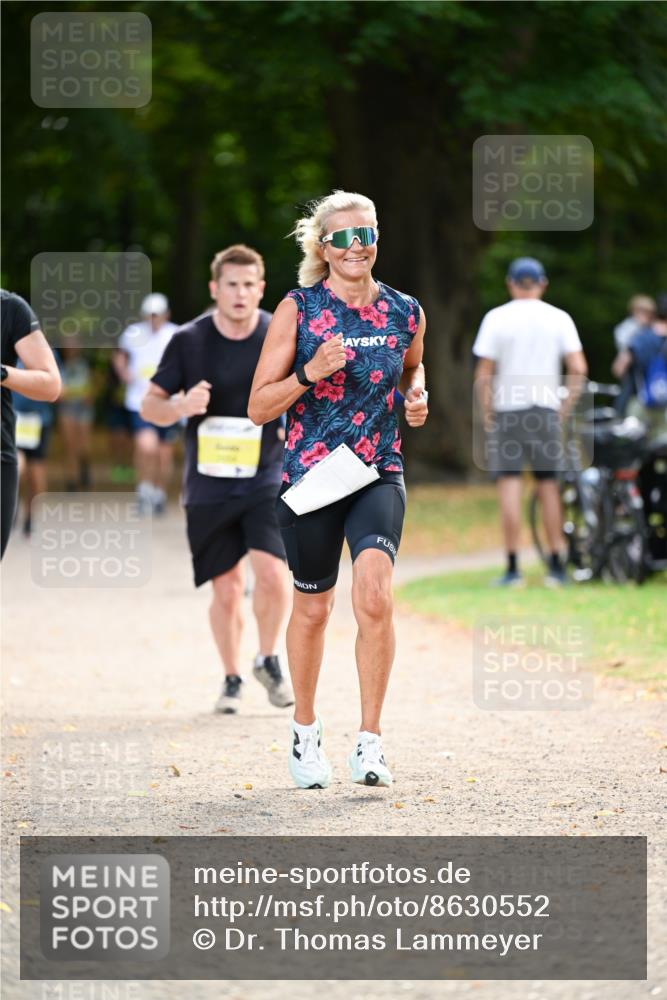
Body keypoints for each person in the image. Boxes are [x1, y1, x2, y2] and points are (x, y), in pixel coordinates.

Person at [248, 190, 428, 790]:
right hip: (312, 477)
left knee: (374, 595)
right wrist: (309, 372)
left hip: (378, 469)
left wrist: (416, 396)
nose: (358, 247)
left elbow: (411, 367)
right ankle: (305, 731)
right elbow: (257, 407)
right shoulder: (299, 309)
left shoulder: (407, 310)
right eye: (344, 237)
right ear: (323, 248)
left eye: (367, 234)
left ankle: (371, 743)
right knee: (315, 608)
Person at [141, 245, 293, 714]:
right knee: (226, 588)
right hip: (207, 481)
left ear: (261, 289)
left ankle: (268, 658)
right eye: (232, 284)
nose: (241, 293)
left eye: (250, 285)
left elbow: (307, 387)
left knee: (271, 572)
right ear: (215, 289)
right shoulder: (189, 340)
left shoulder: (279, 333)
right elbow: (150, 404)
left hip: (266, 473)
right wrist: (180, 407)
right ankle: (231, 677)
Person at [473, 257, 588, 588]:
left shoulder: (496, 318)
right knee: (549, 486)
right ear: (543, 283)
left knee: (509, 487)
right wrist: (563, 407)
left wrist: (488, 412)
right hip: (545, 411)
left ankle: (512, 568)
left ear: (510, 283)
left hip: (508, 410)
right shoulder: (558, 318)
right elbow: (578, 368)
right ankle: (555, 565)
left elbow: (484, 373)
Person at [1, 289, 61, 558]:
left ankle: (28, 519)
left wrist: (2, 372)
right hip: (23, 420)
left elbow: (52, 386)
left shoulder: (11, 309)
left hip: (29, 423)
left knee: (35, 466)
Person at [113, 293, 179, 514]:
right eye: (149, 315)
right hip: (139, 400)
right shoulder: (133, 333)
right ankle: (143, 489)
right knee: (146, 446)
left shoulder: (175, 334)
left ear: (166, 314)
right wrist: (124, 373)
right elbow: (120, 356)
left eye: (157, 315)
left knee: (164, 453)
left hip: (169, 402)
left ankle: (158, 493)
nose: (153, 319)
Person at [613, 292, 667, 443]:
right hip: (664, 408)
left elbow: (619, 368)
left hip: (640, 401)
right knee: (661, 452)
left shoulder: (642, 337)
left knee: (631, 451)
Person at [59, 345, 94, 491]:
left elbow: (89, 391)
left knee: (84, 446)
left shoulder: (85, 365)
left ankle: (84, 467)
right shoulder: (59, 366)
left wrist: (72, 393)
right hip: (67, 409)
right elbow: (59, 392)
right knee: (70, 446)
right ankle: (71, 480)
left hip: (83, 410)